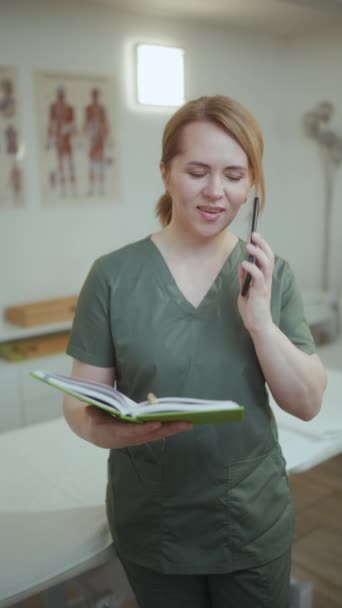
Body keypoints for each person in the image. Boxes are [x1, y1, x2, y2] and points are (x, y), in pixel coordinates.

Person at [63, 95, 327, 608]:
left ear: (251, 182)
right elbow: (80, 401)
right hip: (152, 522)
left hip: (250, 521)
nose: (215, 191)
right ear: (166, 172)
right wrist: (108, 429)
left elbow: (307, 402)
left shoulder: (271, 277)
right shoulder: (113, 277)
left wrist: (260, 322)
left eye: (233, 174)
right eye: (197, 171)